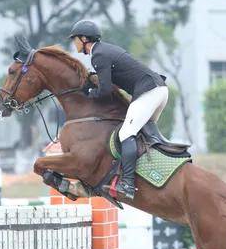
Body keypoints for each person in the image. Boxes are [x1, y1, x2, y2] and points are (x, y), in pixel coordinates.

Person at [69, 19, 168, 200]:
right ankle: (157, 167)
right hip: (159, 90)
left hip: (150, 92)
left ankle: (128, 184)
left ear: (84, 39)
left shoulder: (98, 54)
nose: (73, 42)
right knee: (144, 133)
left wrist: (89, 92)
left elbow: (105, 91)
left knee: (126, 133)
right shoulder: (104, 50)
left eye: (75, 38)